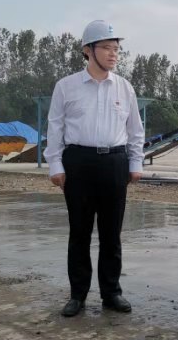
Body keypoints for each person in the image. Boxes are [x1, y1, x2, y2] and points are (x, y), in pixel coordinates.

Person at [44, 20, 144, 317]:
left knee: (112, 233)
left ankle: (111, 293)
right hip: (79, 163)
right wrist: (55, 165)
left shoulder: (124, 87)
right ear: (88, 50)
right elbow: (55, 128)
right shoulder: (66, 87)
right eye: (107, 48)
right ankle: (77, 295)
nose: (114, 54)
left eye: (116, 49)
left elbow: (135, 130)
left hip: (114, 162)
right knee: (80, 232)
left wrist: (135, 162)